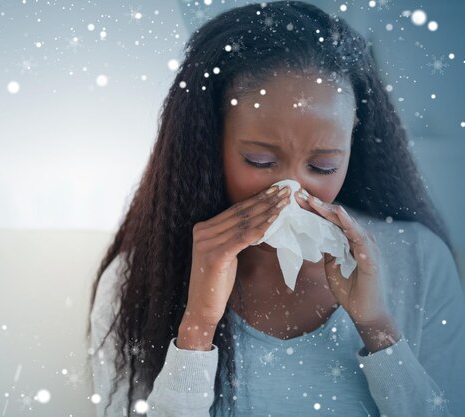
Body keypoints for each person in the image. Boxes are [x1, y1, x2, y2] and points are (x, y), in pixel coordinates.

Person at [86, 1, 465, 416]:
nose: (291, 190)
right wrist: (196, 330)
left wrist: (378, 328)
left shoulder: (420, 260)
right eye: (260, 162)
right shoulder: (136, 279)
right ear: (210, 144)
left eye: (323, 166)